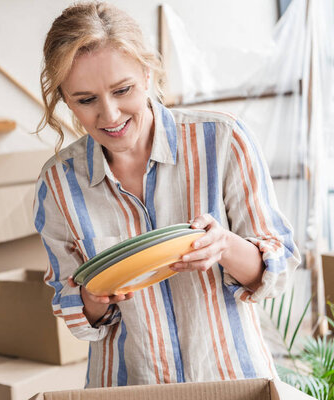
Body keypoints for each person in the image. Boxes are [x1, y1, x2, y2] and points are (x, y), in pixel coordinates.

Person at [33, 2, 300, 388]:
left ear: (147, 72)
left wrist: (222, 245)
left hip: (232, 382)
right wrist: (94, 297)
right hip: (128, 388)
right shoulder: (58, 184)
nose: (109, 115)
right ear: (64, 98)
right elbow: (73, 309)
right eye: (85, 100)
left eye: (122, 90)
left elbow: (277, 270)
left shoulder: (224, 141)